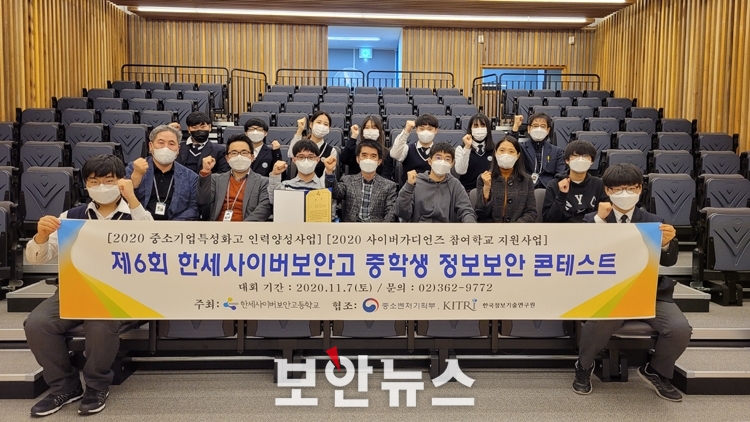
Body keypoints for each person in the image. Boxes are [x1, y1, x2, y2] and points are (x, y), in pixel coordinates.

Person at [24, 155, 153, 417]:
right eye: (94, 181)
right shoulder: (71, 217)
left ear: (121, 181)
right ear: (85, 184)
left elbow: (154, 243)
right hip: (76, 290)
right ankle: (65, 386)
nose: (102, 186)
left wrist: (132, 199)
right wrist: (41, 236)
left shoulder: (136, 213)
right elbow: (38, 257)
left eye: (109, 180)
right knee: (37, 323)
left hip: (121, 293)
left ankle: (96, 385)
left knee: (100, 320)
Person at [573, 163, 692, 402]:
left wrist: (666, 244)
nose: (625, 193)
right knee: (600, 322)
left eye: (631, 188)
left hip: (649, 292)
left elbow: (668, 261)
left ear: (640, 189)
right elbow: (580, 251)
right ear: (607, 191)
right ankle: (584, 366)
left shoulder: (653, 221)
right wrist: (598, 221)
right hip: (609, 292)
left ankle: (656, 370)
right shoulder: (592, 219)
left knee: (679, 329)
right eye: (618, 189)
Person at [126, 125, 199, 220]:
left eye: (171, 144)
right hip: (139, 224)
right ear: (151, 146)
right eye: (161, 143)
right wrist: (137, 176)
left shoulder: (190, 177)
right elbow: (124, 199)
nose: (166, 148)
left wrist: (170, 226)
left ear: (178, 149)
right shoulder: (134, 168)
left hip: (175, 226)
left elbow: (193, 209)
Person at [197, 134, 272, 222]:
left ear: (252, 157)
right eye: (234, 153)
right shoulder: (216, 179)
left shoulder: (263, 182)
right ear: (227, 158)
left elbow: (264, 210)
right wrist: (205, 171)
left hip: (248, 228)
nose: (239, 156)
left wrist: (241, 227)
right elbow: (202, 200)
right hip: (217, 227)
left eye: (244, 152)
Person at [395, 142, 476, 223]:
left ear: (452, 164)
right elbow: (402, 214)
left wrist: (470, 224)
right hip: (419, 228)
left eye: (447, 159)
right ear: (430, 161)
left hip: (445, 228)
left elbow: (466, 210)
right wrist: (409, 187)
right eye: (438, 158)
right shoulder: (416, 182)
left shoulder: (455, 184)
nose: (442, 162)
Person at [327, 139, 398, 222]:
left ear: (379, 161)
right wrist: (329, 172)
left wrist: (381, 228)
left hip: (376, 228)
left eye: (373, 156)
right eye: (364, 155)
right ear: (358, 159)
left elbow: (390, 213)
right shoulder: (347, 180)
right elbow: (335, 193)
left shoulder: (389, 186)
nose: (368, 159)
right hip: (352, 227)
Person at [474, 135, 537, 223]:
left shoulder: (527, 180)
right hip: (490, 229)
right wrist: (486, 188)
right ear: (495, 153)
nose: (506, 155)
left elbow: (531, 212)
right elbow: (481, 213)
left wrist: (516, 226)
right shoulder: (484, 178)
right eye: (502, 150)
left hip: (518, 229)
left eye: (511, 151)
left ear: (518, 155)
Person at [543, 140, 608, 222]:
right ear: (567, 160)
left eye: (585, 156)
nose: (580, 160)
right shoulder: (554, 184)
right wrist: (561, 195)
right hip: (564, 228)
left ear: (592, 161)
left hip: (592, 227)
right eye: (575, 156)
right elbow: (548, 220)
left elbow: (607, 213)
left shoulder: (599, 184)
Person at [512, 112, 565, 189]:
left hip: (548, 188)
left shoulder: (557, 151)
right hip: (525, 187)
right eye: (535, 126)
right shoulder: (521, 148)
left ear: (548, 130)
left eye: (543, 126)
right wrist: (515, 127)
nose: (539, 129)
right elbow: (510, 146)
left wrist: (552, 187)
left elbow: (560, 174)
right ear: (529, 129)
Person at [269, 139, 330, 205]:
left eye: (311, 157)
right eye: (301, 157)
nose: (306, 161)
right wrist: (275, 174)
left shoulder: (325, 187)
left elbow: (331, 208)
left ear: (317, 159)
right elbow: (274, 201)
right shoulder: (286, 186)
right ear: (294, 160)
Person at [340, 115, 395, 181]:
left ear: (379, 131)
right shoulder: (356, 149)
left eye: (374, 128)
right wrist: (353, 137)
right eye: (367, 127)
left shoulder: (386, 153)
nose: (370, 130)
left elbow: (386, 176)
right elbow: (344, 159)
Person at [286, 111, 338, 178]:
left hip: (320, 184)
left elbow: (328, 174)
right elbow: (291, 154)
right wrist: (300, 130)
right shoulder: (301, 144)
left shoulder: (331, 151)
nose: (322, 126)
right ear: (311, 124)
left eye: (325, 124)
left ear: (329, 128)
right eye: (319, 122)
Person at [390, 114, 439, 183]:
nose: (425, 132)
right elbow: (394, 154)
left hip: (434, 187)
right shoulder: (408, 149)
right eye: (421, 129)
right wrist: (406, 131)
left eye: (429, 129)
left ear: (436, 130)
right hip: (411, 188)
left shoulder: (440, 151)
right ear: (416, 130)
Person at [454, 113, 495, 192]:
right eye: (476, 126)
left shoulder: (495, 149)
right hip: (467, 191)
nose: (479, 129)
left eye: (483, 126)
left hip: (490, 190)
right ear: (471, 129)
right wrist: (467, 148)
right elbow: (460, 171)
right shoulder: (460, 149)